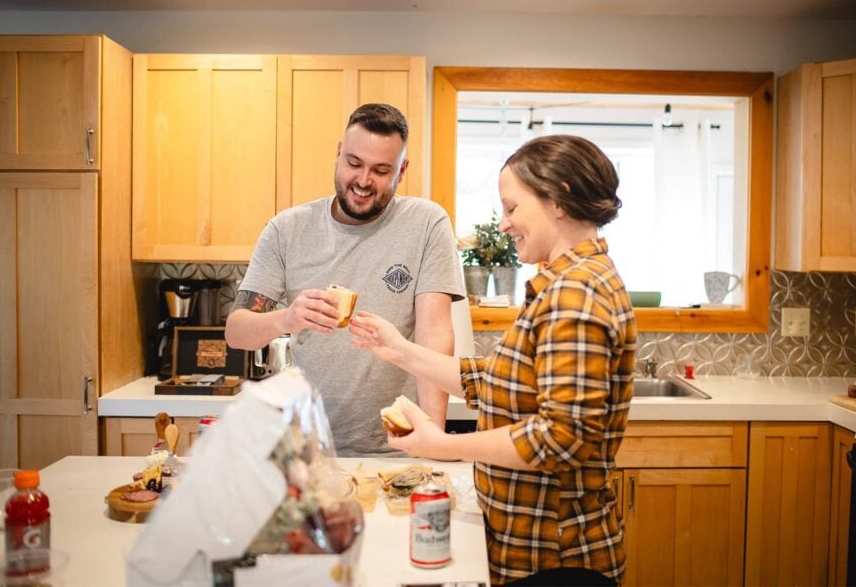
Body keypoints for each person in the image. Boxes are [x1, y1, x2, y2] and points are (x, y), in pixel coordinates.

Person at [349, 134, 636, 585]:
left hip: (555, 555)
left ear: (559, 199)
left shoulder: (575, 294)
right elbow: (504, 382)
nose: (503, 224)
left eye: (512, 207)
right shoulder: (567, 282)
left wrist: (441, 446)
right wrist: (399, 350)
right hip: (533, 546)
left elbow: (561, 438)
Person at [226, 103, 465, 457]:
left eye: (381, 170)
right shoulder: (287, 229)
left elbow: (434, 335)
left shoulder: (427, 223)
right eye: (354, 163)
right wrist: (286, 318)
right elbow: (236, 333)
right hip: (311, 452)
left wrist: (433, 442)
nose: (364, 181)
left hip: (400, 449)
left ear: (402, 170)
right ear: (338, 154)